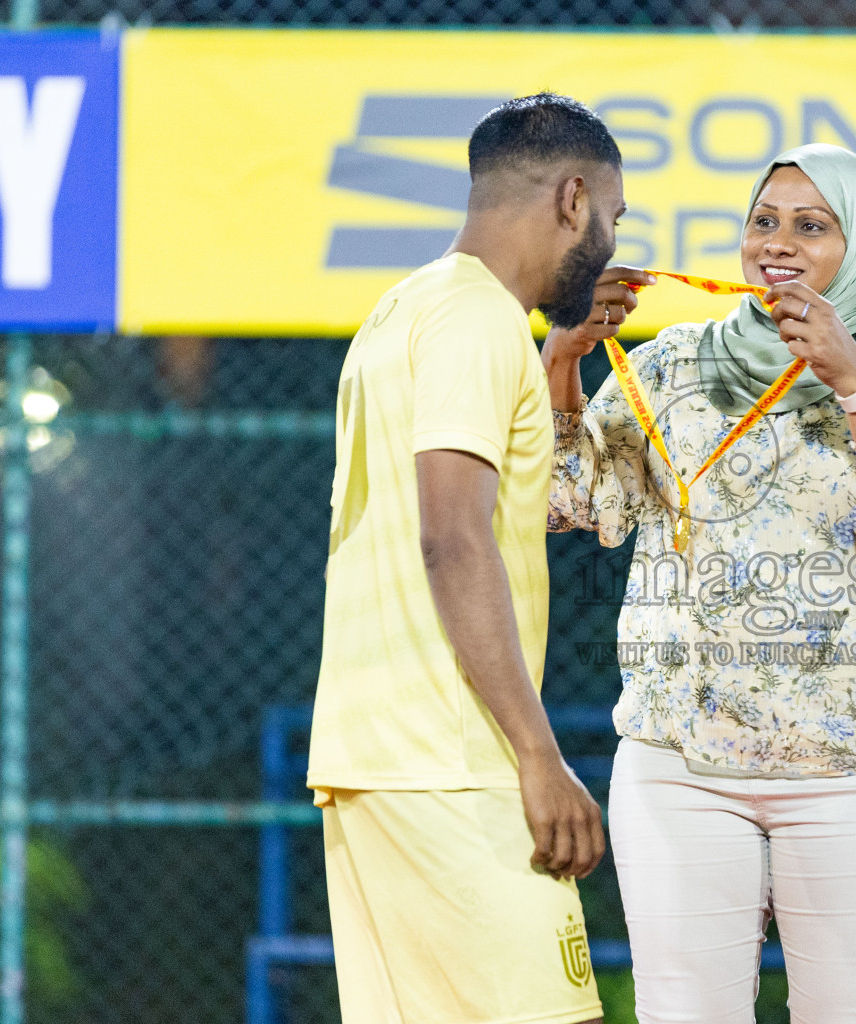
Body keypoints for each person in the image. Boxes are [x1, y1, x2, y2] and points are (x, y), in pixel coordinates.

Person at [544, 143, 856, 1023]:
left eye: (811, 225)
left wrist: (851, 381)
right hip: (681, 767)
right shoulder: (679, 363)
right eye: (764, 222)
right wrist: (564, 358)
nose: (778, 244)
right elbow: (571, 499)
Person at [307, 93, 625, 1024]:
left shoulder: (406, 307)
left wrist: (557, 358)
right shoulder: (478, 321)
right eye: (612, 217)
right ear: (573, 199)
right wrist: (538, 756)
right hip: (450, 763)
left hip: (376, 759)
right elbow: (452, 536)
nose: (609, 241)